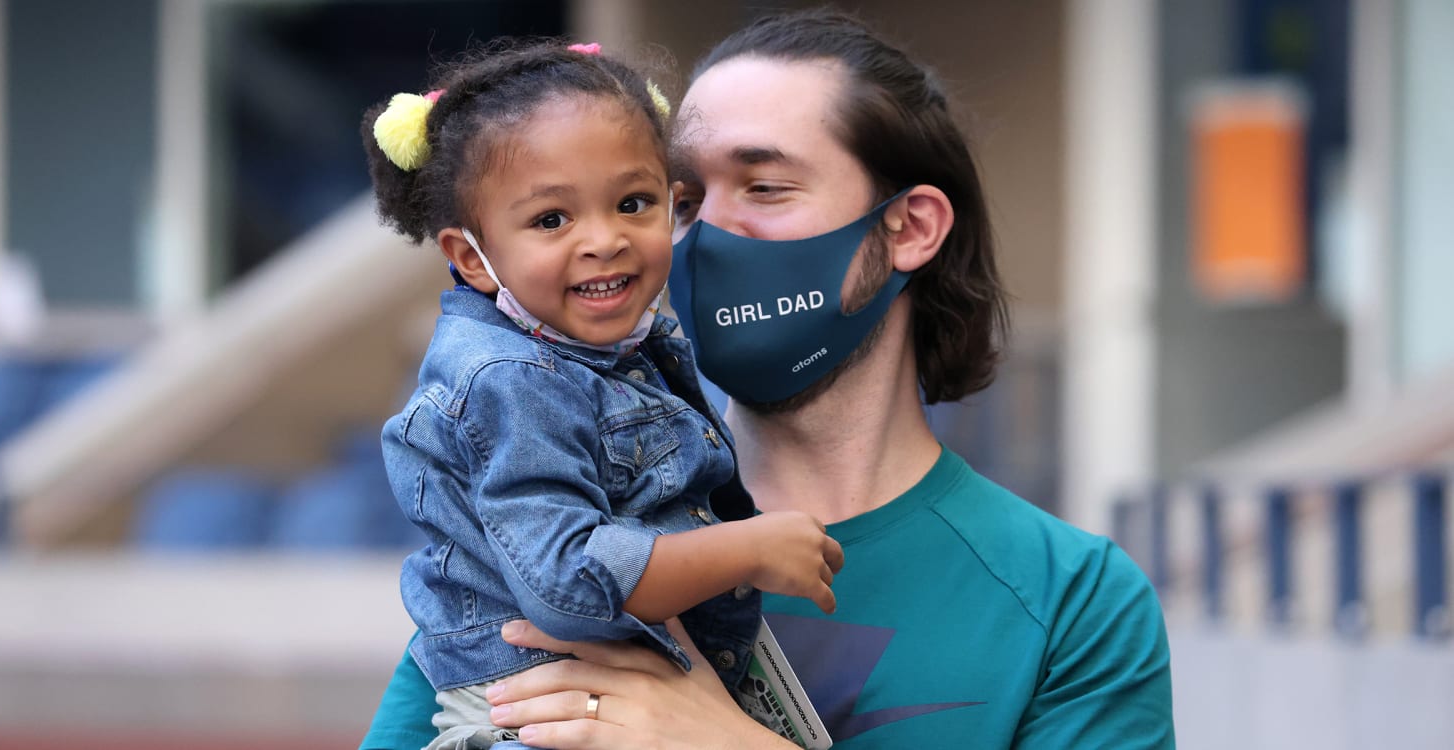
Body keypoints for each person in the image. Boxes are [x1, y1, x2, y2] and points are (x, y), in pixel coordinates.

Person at [362, 10, 1174, 750]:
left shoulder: (1072, 600)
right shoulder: (518, 552)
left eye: (764, 187)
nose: (705, 233)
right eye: (681, 198)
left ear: (910, 227)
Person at [361, 40, 844, 750]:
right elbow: (569, 583)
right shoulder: (510, 378)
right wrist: (746, 549)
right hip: (535, 716)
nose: (605, 239)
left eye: (632, 202)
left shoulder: (612, 349)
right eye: (552, 219)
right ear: (472, 258)